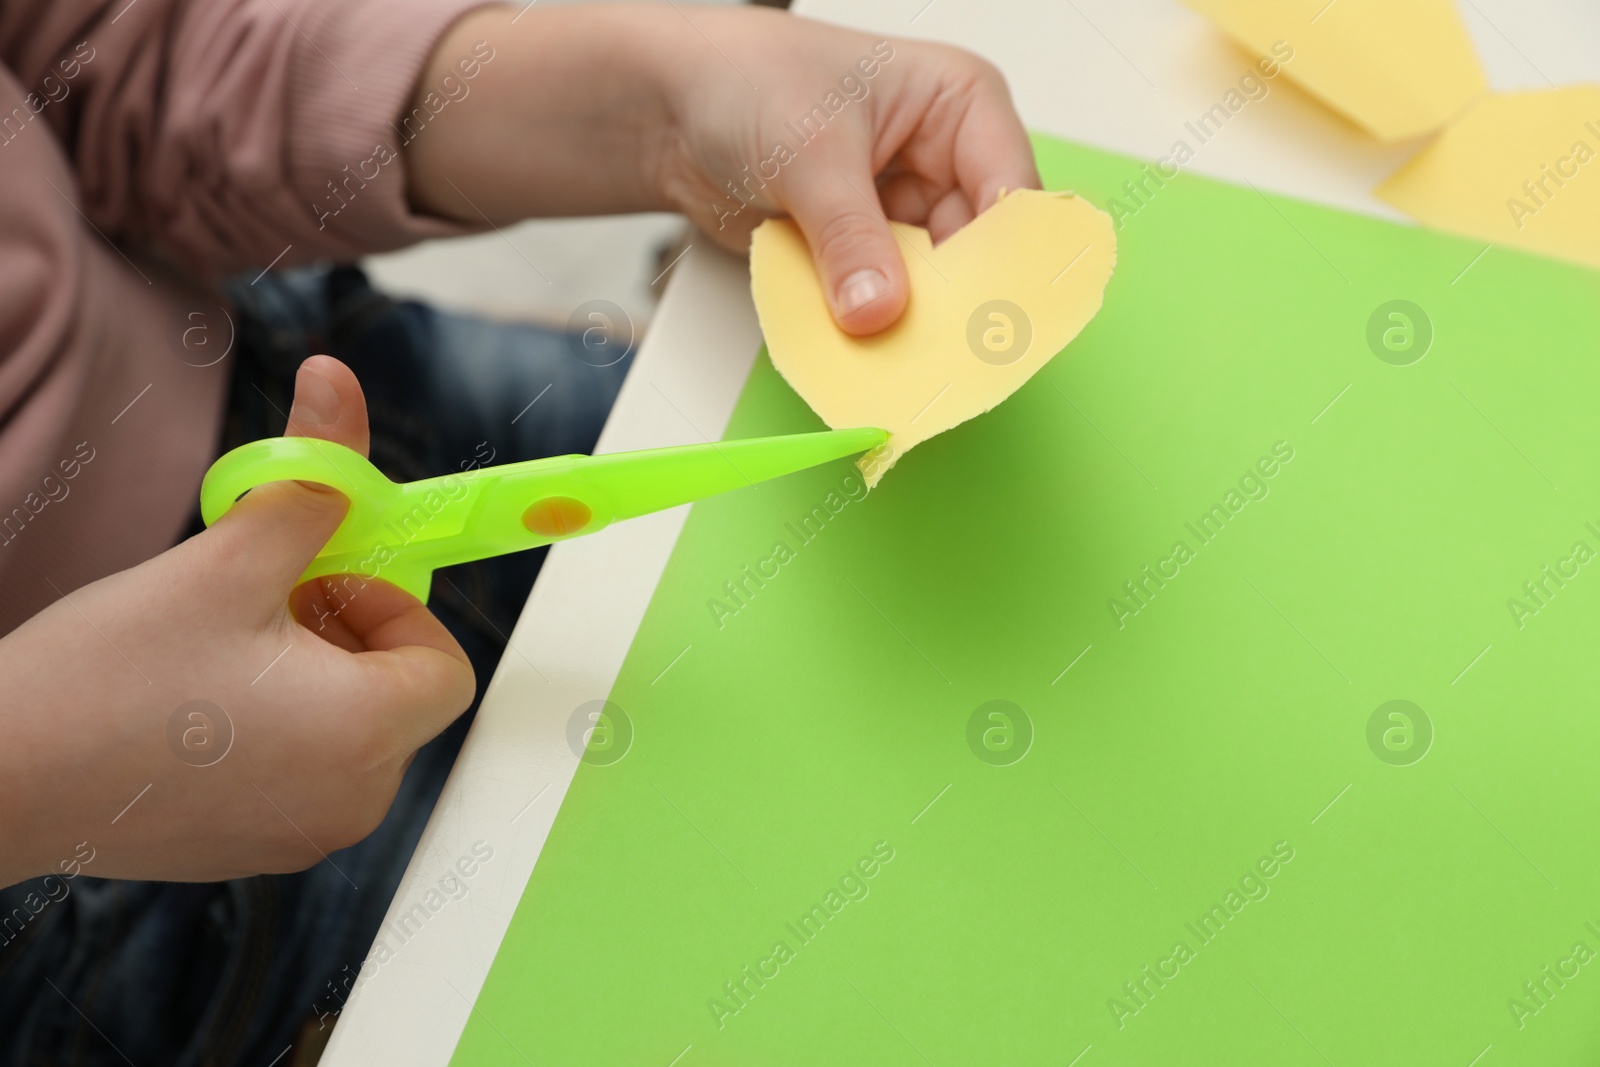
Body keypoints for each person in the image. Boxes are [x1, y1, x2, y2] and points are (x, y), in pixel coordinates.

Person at [0, 0, 1038, 1061]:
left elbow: (126, 56)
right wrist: (36, 771)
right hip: (69, 877)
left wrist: (667, 104)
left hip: (288, 407)